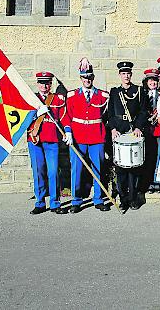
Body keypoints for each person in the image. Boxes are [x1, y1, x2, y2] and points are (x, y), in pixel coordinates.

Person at [64, 58, 110, 213]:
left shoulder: (103, 96)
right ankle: (76, 200)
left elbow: (106, 116)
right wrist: (68, 132)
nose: (87, 80)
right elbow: (66, 116)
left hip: (96, 137)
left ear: (93, 78)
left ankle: (98, 199)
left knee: (97, 169)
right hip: (78, 137)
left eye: (90, 77)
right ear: (81, 78)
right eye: (84, 77)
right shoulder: (71, 96)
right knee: (76, 169)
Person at [107, 61, 149, 211]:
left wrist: (138, 127)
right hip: (119, 132)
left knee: (134, 167)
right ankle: (122, 197)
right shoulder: (114, 92)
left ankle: (133, 198)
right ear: (119, 75)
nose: (126, 76)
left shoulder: (138, 91)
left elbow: (144, 111)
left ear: (131, 74)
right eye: (123, 73)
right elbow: (110, 114)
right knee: (120, 168)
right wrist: (112, 129)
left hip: (133, 132)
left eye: (128, 73)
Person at [26, 72, 68, 215]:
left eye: (48, 83)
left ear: (51, 84)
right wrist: (35, 114)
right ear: (37, 83)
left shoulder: (56, 99)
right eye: (42, 83)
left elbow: (64, 117)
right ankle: (40, 202)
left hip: (52, 140)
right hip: (35, 139)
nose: (45, 86)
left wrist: (67, 131)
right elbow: (22, 119)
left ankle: (55, 202)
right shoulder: (31, 99)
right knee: (38, 171)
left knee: (53, 171)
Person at [141, 68, 160, 193]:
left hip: (159, 128)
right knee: (147, 156)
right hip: (147, 129)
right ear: (146, 82)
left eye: (155, 80)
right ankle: (147, 182)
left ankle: (158, 181)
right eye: (150, 80)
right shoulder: (142, 94)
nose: (153, 83)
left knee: (159, 155)